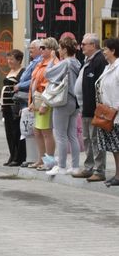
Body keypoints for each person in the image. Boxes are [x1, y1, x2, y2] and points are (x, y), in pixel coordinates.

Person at [72, 33, 108, 181]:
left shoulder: (100, 61)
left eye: (84, 44)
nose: (81, 47)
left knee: (96, 139)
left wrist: (99, 107)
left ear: (93, 45)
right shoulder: (88, 60)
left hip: (94, 108)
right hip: (85, 107)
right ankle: (89, 167)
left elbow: (101, 85)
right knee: (87, 138)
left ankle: (99, 170)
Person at [44, 37, 82, 175]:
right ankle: (75, 166)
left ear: (65, 50)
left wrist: (52, 61)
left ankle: (61, 166)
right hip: (75, 101)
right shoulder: (77, 62)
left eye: (60, 48)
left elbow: (47, 74)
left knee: (60, 135)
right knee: (72, 135)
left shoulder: (65, 63)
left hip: (63, 101)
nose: (58, 51)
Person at [28, 37, 58, 171]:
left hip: (45, 99)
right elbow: (33, 81)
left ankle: (49, 161)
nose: (41, 50)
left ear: (51, 49)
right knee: (37, 131)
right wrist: (31, 101)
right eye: (40, 48)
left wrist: (45, 104)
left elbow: (51, 85)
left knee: (46, 132)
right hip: (37, 98)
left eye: (43, 48)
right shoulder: (41, 62)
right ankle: (40, 159)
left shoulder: (53, 63)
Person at [94, 37, 119, 187]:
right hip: (107, 113)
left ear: (113, 50)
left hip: (115, 114)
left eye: (106, 49)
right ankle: (117, 174)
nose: (103, 52)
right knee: (114, 148)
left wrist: (115, 108)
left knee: (118, 146)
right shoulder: (108, 67)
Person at [1, 49, 26, 167]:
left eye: (12, 59)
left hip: (14, 106)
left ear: (19, 60)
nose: (9, 61)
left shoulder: (22, 72)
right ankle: (12, 155)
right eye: (8, 59)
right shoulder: (11, 71)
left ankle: (18, 157)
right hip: (6, 106)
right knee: (9, 132)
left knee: (16, 132)